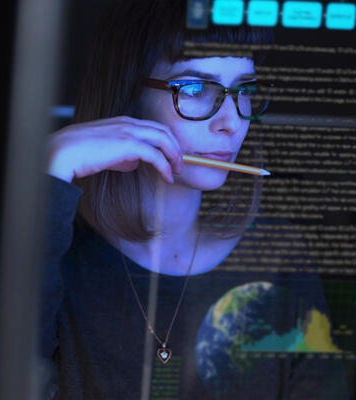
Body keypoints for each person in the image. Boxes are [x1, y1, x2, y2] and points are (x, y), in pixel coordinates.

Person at [41, 0, 349, 399]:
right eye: (195, 88)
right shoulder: (58, 252)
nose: (232, 122)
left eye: (244, 91)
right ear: (127, 93)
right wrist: (51, 170)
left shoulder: (280, 254)